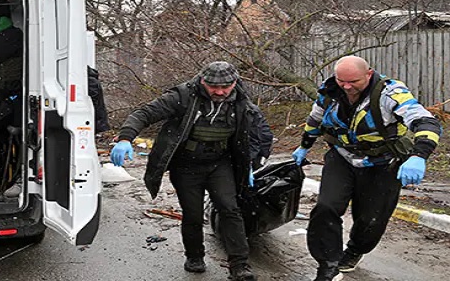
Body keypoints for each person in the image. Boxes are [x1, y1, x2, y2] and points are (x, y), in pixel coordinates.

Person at [111, 61, 272, 281]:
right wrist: (125, 138)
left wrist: (254, 163)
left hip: (220, 163)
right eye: (214, 87)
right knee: (193, 213)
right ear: (203, 81)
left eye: (226, 87)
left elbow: (259, 131)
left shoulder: (241, 101)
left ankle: (240, 264)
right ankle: (195, 256)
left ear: (234, 83)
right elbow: (145, 113)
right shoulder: (183, 96)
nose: (220, 92)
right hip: (186, 164)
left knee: (230, 209)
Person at [291, 56, 442, 281]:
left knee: (371, 220)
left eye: (353, 81)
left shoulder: (390, 94)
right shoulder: (330, 91)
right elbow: (315, 119)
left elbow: (426, 122)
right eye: (342, 81)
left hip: (382, 163)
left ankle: (354, 250)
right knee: (326, 208)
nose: (347, 87)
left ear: (369, 74)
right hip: (342, 157)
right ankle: (328, 265)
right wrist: (304, 146)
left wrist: (419, 155)